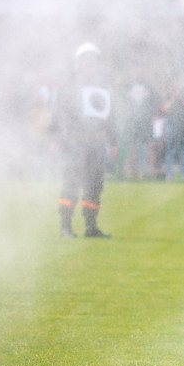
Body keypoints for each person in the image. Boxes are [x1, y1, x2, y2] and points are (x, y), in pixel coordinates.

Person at [57, 42, 116, 238]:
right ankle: (66, 227)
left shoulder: (104, 87)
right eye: (86, 60)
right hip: (76, 144)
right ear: (79, 63)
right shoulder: (69, 87)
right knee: (71, 184)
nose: (90, 64)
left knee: (94, 186)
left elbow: (109, 116)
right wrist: (65, 139)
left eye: (93, 60)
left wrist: (114, 141)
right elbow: (62, 116)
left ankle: (91, 226)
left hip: (97, 145)